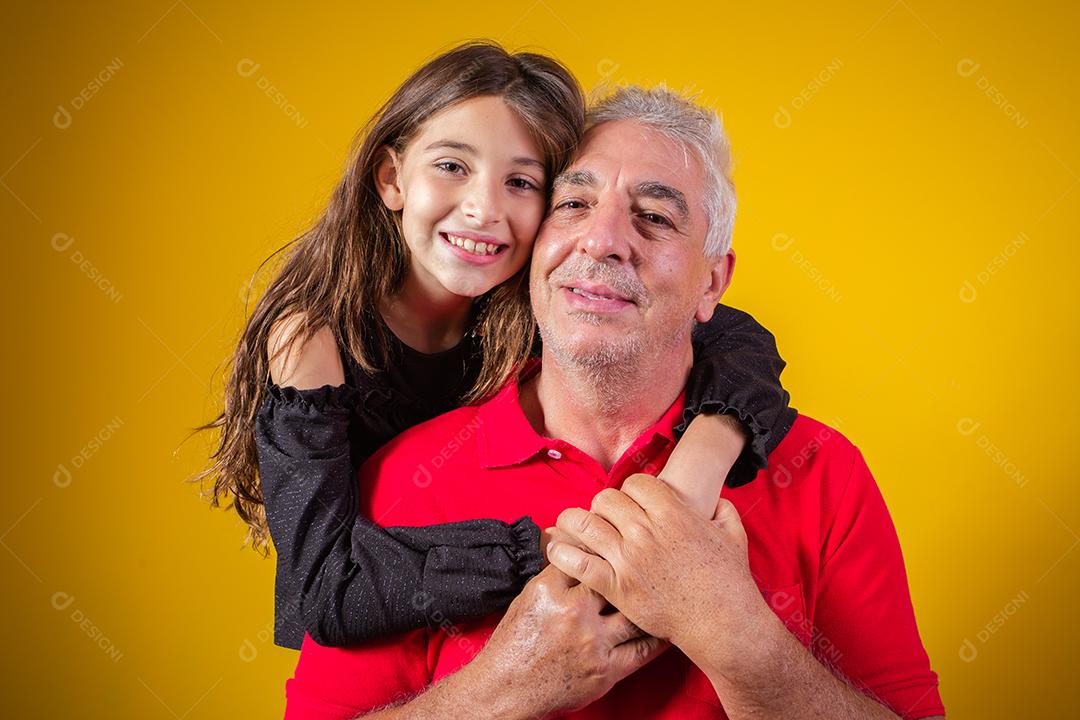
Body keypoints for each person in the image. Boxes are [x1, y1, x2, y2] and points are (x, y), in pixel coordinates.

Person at [284, 86, 945, 719]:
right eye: (573, 206)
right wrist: (497, 691)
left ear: (711, 281)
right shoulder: (398, 479)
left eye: (655, 217)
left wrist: (738, 635)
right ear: (531, 246)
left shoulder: (823, 474)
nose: (602, 241)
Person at [192, 41, 795, 651]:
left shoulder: (522, 301)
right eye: (452, 166)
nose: (484, 209)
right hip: (383, 637)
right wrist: (575, 551)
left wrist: (696, 472)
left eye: (521, 182)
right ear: (391, 178)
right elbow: (321, 591)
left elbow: (726, 332)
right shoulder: (311, 340)